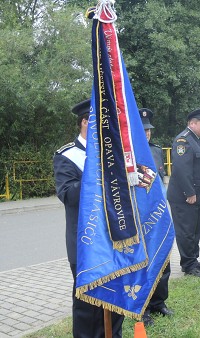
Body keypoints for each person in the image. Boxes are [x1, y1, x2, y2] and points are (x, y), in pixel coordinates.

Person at [53, 99, 124, 337]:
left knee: (116, 294)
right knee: (88, 302)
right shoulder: (67, 155)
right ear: (85, 122)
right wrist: (95, 172)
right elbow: (68, 195)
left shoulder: (113, 152)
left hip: (115, 237)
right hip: (85, 241)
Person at [167, 107, 200, 278]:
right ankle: (188, 266)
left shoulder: (197, 140)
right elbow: (181, 169)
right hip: (185, 197)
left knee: (195, 230)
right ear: (192, 123)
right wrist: (189, 192)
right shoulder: (183, 141)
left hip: (197, 196)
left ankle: (193, 260)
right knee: (186, 231)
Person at [138, 108, 173, 326]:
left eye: (149, 130)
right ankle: (143, 308)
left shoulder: (157, 151)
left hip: (159, 212)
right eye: (143, 130)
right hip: (140, 216)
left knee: (163, 257)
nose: (147, 133)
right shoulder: (129, 155)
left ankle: (159, 302)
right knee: (143, 262)